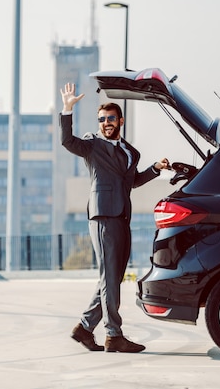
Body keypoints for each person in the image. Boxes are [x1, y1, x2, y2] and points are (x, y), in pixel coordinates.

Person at [60, 82, 171, 353]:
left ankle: (85, 329)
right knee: (109, 278)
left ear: (120, 120)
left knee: (113, 279)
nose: (106, 123)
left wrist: (155, 169)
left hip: (122, 217)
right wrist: (67, 109)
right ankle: (113, 334)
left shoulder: (131, 152)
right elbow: (67, 141)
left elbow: (131, 182)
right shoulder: (92, 145)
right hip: (102, 216)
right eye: (101, 120)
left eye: (110, 119)